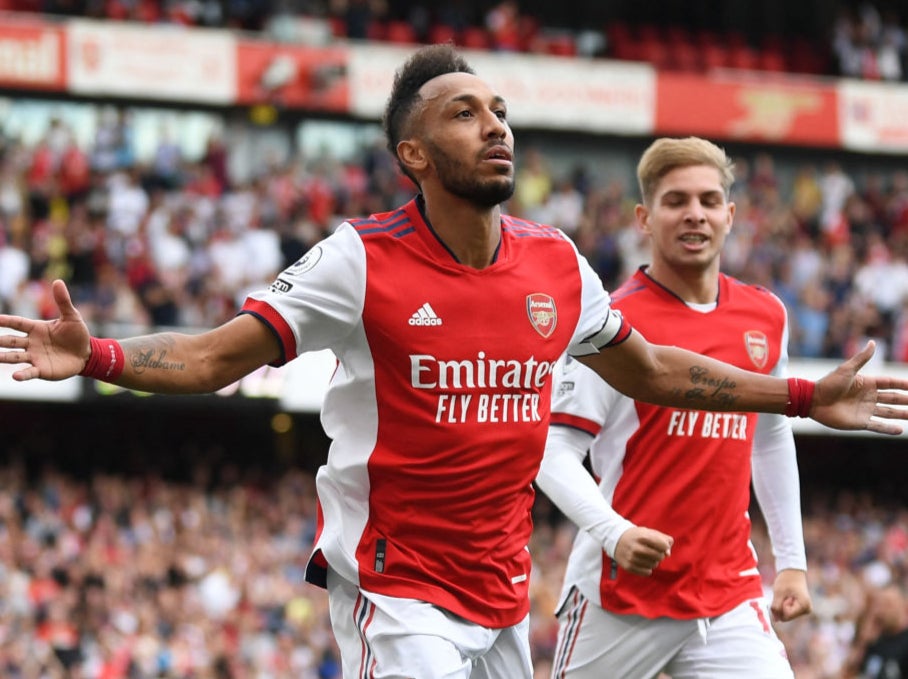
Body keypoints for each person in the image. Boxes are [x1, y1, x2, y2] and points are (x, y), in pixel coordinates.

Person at [0, 46, 907, 679]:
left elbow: (659, 372)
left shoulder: (555, 260)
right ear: (414, 154)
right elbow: (210, 358)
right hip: (395, 588)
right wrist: (102, 354)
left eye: (500, 111)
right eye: (464, 114)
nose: (494, 126)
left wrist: (800, 393)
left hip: (504, 588)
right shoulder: (359, 260)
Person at [537, 136, 816, 678]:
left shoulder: (766, 315)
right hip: (619, 599)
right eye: (676, 201)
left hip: (727, 595)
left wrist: (793, 564)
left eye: (709, 201)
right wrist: (613, 532)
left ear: (731, 215)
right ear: (644, 217)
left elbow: (771, 437)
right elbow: (553, 450)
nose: (695, 215)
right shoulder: (609, 324)